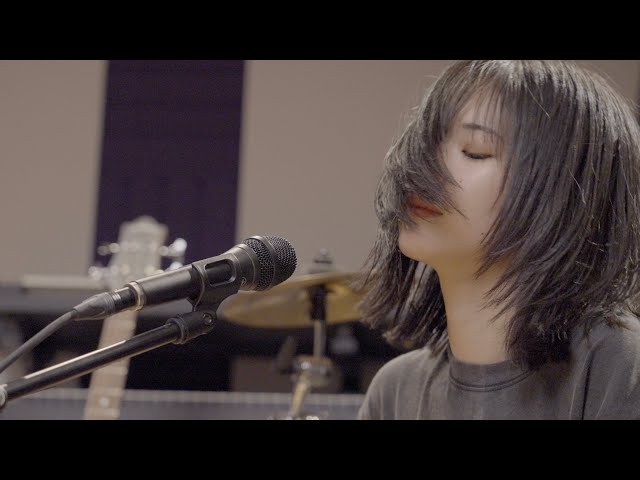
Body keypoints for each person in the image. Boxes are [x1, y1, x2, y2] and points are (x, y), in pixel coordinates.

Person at [357, 60, 640, 419]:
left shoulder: (618, 365)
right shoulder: (395, 390)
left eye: (474, 150)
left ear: (561, 194)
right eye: (425, 141)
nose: (421, 165)